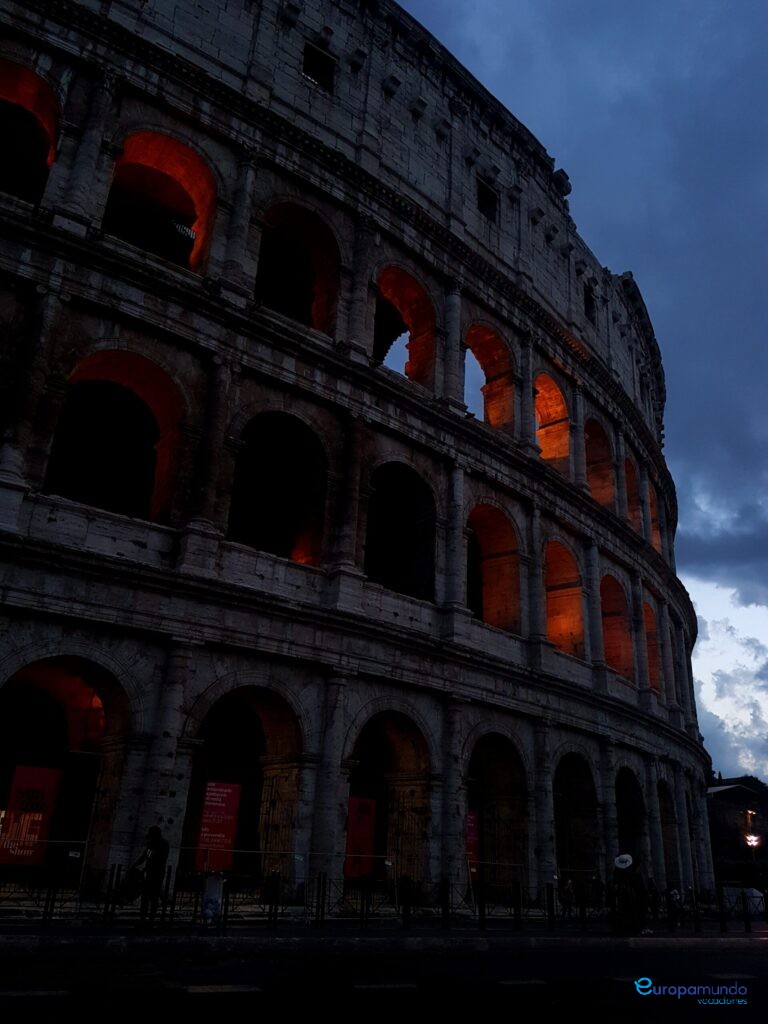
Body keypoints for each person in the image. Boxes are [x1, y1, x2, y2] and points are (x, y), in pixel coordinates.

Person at [132, 825, 170, 926]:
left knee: (153, 897)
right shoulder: (152, 844)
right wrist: (137, 864)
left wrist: (150, 852)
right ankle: (144, 918)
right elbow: (146, 856)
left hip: (157, 873)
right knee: (147, 897)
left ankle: (150, 918)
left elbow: (155, 856)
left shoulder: (162, 844)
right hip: (151, 873)